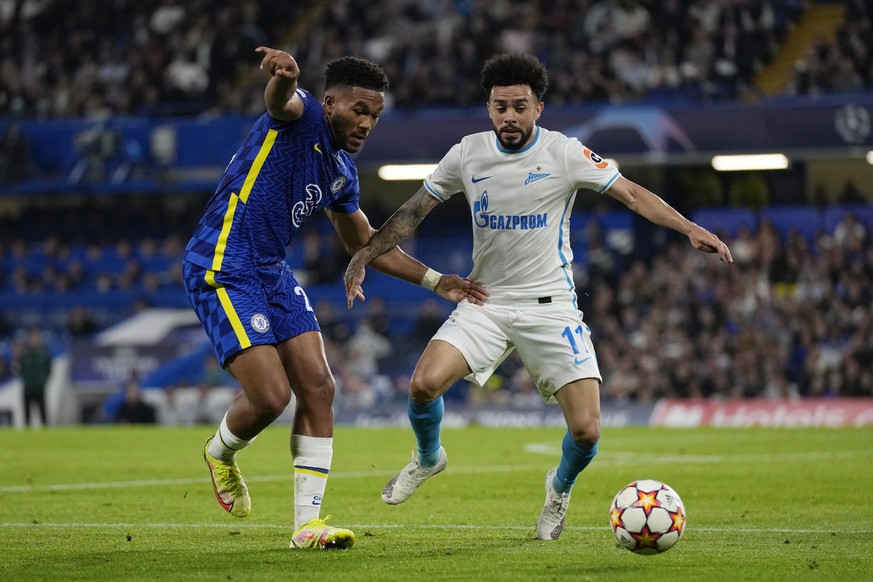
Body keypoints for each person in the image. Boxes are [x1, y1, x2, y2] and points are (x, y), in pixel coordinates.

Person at [344, 53, 733, 541]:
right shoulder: (466, 154)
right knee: (422, 386)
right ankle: (428, 457)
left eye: (520, 107)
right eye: (500, 107)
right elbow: (412, 212)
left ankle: (558, 488)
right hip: (486, 301)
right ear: (489, 109)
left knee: (588, 432)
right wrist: (364, 255)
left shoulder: (565, 153)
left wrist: (689, 228)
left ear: (538, 109)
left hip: (550, 306)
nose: (509, 116)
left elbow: (632, 194)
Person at [182, 45, 487, 550]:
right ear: (329, 103)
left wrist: (438, 281)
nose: (367, 122)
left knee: (320, 388)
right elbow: (281, 102)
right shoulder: (299, 119)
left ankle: (306, 525)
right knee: (272, 398)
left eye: (375, 115)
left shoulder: (342, 171)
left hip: (270, 271)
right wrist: (282, 77)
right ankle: (220, 451)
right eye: (358, 110)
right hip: (222, 263)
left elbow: (366, 246)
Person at [15, 328, 53, 428]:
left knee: (43, 415)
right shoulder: (24, 355)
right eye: (32, 337)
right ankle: (27, 437)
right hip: (27, 389)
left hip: (40, 389)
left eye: (36, 337)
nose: (34, 339)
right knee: (27, 416)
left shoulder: (44, 354)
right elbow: (19, 369)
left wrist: (42, 381)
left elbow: (49, 370)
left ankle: (46, 436)